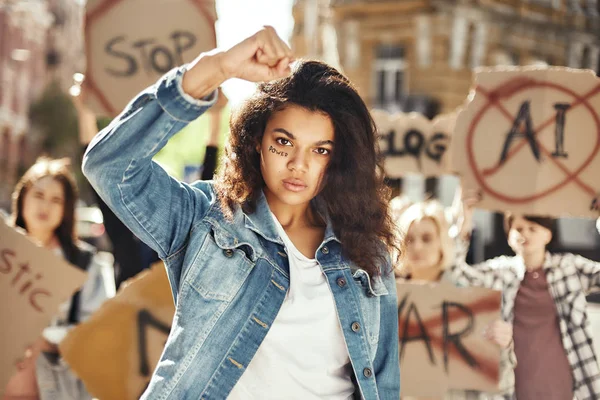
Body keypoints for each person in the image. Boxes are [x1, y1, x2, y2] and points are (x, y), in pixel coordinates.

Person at [82, 27, 400, 399]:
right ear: (257, 142)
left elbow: (383, 382)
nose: (299, 164)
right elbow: (109, 166)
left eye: (320, 150)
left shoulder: (367, 253)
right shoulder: (208, 220)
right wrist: (216, 68)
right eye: (284, 142)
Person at [451, 191, 600, 400]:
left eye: (533, 228)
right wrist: (463, 223)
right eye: (519, 228)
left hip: (567, 383)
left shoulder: (568, 267)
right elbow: (457, 275)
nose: (525, 234)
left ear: (548, 234)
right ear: (509, 236)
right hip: (516, 382)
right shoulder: (502, 271)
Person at [3, 157, 115, 400]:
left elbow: (101, 331)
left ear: (66, 210)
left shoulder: (85, 264)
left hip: (56, 390)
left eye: (56, 200)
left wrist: (44, 337)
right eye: (38, 195)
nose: (45, 206)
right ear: (22, 197)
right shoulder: (5, 253)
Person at [395, 200, 514, 400]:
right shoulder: (384, 299)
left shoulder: (469, 301)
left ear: (441, 243)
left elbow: (503, 382)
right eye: (409, 239)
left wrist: (505, 345)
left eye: (426, 238)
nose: (417, 246)